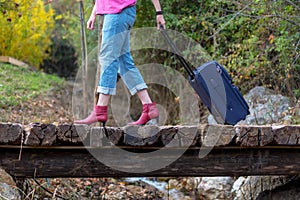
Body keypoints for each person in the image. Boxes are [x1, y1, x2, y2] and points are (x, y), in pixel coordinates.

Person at [75, 0, 166, 126]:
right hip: (117, 12)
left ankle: (100, 109)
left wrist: (159, 12)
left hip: (117, 12)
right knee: (125, 63)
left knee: (108, 58)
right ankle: (149, 107)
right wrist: (94, 13)